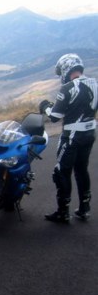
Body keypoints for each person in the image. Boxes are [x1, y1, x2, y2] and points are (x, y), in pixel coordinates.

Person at [39, 53, 97, 223]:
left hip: (72, 136)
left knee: (61, 172)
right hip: (90, 133)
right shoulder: (95, 83)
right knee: (81, 170)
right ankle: (84, 208)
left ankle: (63, 211)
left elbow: (55, 116)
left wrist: (46, 106)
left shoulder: (68, 88)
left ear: (66, 68)